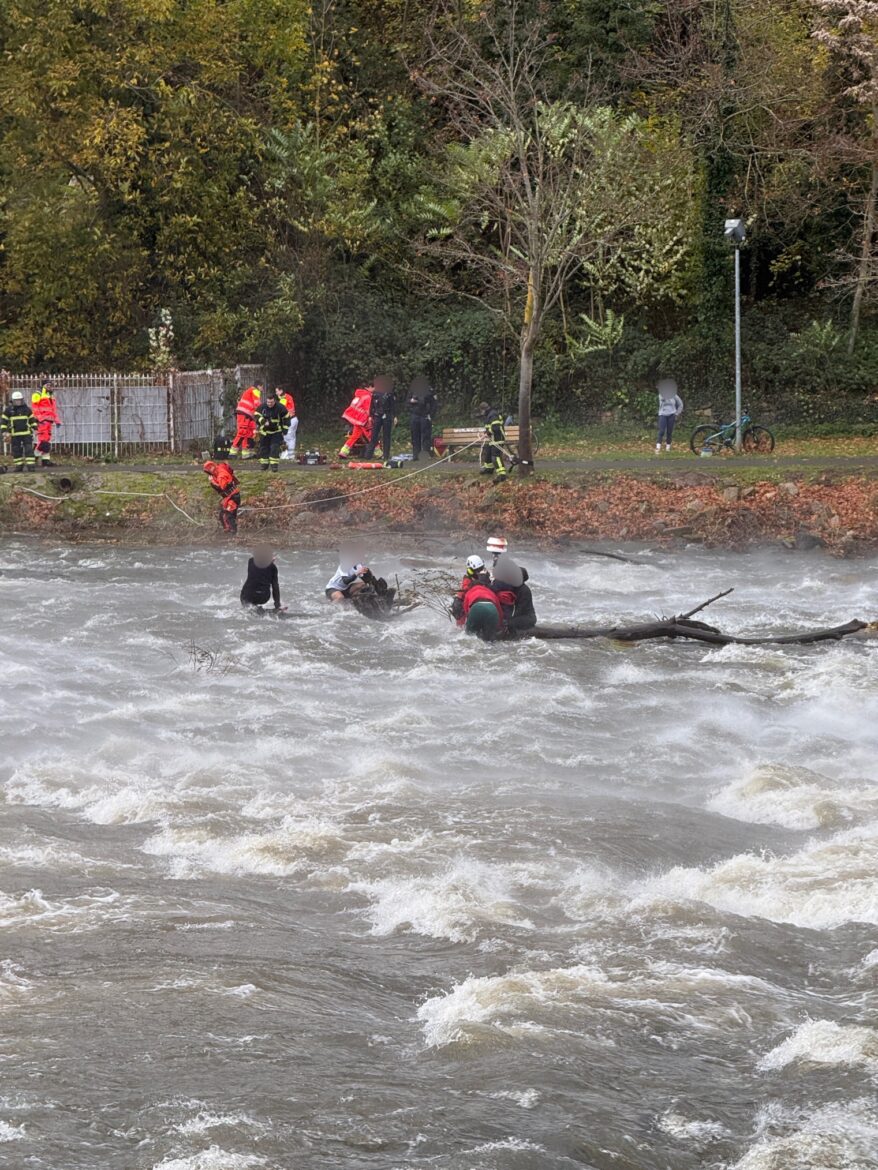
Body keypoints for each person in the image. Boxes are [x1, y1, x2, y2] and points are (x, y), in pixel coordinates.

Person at [461, 574, 505, 641]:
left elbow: (466, 611)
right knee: (490, 639)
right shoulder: (490, 592)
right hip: (492, 609)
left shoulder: (469, 592)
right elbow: (499, 611)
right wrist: (500, 626)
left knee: (469, 636)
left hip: (476, 608)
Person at [363, 375, 396, 465]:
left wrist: (394, 416)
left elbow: (393, 405)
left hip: (387, 415)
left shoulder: (389, 393)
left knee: (386, 436)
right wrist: (370, 415)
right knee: (374, 436)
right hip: (377, 416)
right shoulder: (376, 393)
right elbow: (372, 405)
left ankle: (386, 455)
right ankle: (368, 455)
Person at [255, 388, 290, 472]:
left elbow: (286, 418)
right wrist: (262, 421)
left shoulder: (280, 407)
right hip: (265, 432)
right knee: (264, 448)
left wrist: (285, 429)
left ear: (274, 401)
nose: (269, 404)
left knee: (275, 448)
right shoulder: (262, 407)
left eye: (271, 402)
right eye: (268, 402)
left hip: (276, 432)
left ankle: (274, 466)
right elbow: (256, 415)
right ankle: (264, 465)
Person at [2, 391, 37, 471]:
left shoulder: (27, 409)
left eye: (19, 400)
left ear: (22, 400)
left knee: (29, 450)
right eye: (16, 400)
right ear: (13, 401)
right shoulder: (9, 410)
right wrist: (4, 431)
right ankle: (19, 466)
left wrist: (35, 427)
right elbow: (4, 421)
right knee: (16, 450)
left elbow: (32, 419)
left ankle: (31, 466)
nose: (18, 402)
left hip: (27, 434)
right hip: (14, 434)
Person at [203, 460, 241, 533]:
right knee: (222, 514)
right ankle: (228, 530)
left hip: (233, 497)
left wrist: (213, 482)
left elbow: (222, 488)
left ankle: (234, 532)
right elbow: (227, 466)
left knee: (228, 515)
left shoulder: (221, 476)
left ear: (211, 469)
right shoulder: (219, 469)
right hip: (229, 497)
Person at [407, 375, 437, 461]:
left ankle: (425, 454)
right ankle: (415, 455)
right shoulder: (413, 390)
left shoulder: (429, 391)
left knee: (426, 436)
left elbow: (434, 404)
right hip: (415, 415)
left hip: (425, 415)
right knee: (415, 436)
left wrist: (431, 415)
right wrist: (411, 402)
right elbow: (407, 402)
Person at [339, 386, 374, 458]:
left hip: (356, 418)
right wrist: (371, 419)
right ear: (369, 387)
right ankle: (378, 452)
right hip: (362, 419)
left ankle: (343, 452)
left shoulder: (360, 395)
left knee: (355, 436)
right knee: (371, 435)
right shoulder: (368, 396)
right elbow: (368, 410)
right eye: (374, 387)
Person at [31, 383, 61, 467]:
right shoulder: (37, 394)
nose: (50, 387)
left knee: (46, 441)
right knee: (43, 441)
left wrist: (57, 420)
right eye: (48, 385)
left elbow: (53, 410)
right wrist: (40, 419)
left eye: (51, 385)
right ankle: (34, 457)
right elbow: (35, 408)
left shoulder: (50, 396)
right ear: (43, 386)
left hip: (49, 421)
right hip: (42, 421)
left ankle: (45, 460)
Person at [229, 383, 262, 458]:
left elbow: (253, 406)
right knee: (243, 432)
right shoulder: (255, 390)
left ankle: (246, 453)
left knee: (250, 433)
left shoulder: (249, 392)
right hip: (244, 414)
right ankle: (233, 453)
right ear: (259, 386)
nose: (262, 389)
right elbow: (257, 404)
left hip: (248, 415)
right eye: (262, 387)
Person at [450, 555, 487, 622]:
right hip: (470, 602)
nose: (479, 572)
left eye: (480, 569)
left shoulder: (484, 577)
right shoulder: (468, 580)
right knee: (457, 604)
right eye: (478, 570)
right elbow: (464, 591)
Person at [478, 402, 508, 481]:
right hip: (493, 439)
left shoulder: (493, 415)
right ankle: (489, 469)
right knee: (488, 452)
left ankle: (502, 474)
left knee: (495, 456)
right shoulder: (489, 415)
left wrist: (487, 434)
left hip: (498, 439)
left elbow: (496, 428)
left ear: (484, 409)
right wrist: (485, 433)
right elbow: (489, 427)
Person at [505, 568, 537, 635]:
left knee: (509, 623)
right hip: (521, 616)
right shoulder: (516, 588)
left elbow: (520, 609)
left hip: (528, 618)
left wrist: (511, 620)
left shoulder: (524, 590)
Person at [656, 378, 683, 453]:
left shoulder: (674, 395)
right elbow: (663, 399)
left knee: (669, 432)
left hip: (672, 415)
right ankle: (658, 448)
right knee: (661, 431)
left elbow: (680, 404)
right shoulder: (661, 395)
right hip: (663, 415)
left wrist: (677, 413)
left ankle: (668, 448)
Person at [278, 388, 298, 460]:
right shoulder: (288, 397)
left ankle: (287, 455)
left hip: (290, 420)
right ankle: (290, 455)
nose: (276, 393)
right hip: (293, 419)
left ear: (281, 391)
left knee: (287, 438)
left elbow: (280, 409)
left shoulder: (284, 398)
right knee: (292, 438)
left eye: (277, 391)